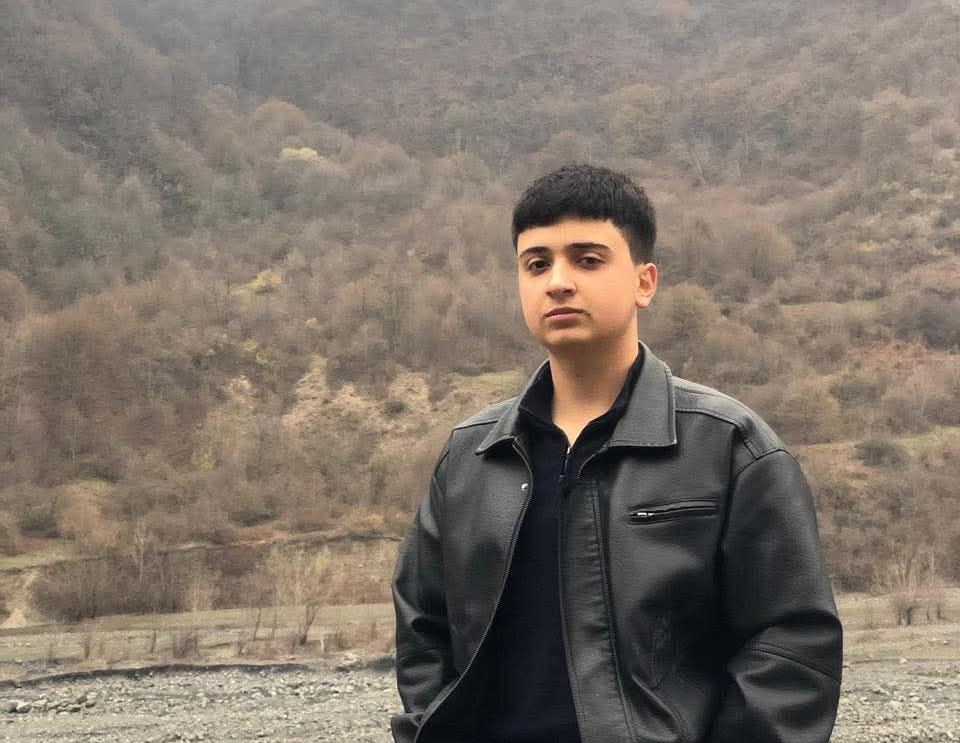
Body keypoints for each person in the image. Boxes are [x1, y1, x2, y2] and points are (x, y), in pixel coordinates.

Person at [391, 163, 842, 743]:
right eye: (537, 264)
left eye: (587, 259)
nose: (558, 281)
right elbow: (423, 628)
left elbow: (791, 644)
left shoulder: (728, 446)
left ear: (644, 282)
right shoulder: (472, 457)